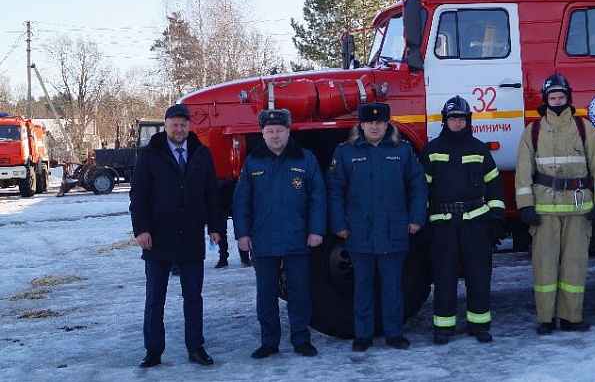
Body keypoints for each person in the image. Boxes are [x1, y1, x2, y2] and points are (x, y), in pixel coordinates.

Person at [514, 74, 595, 335]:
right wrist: (525, 206)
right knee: (544, 265)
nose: (557, 101)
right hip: (544, 209)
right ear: (546, 100)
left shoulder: (583, 128)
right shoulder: (533, 131)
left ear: (568, 98)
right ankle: (546, 319)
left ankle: (571, 317)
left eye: (561, 97)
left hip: (579, 208)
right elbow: (523, 171)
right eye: (552, 97)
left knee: (575, 264)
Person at [130, 103, 224, 368]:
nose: (179, 129)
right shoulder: (150, 155)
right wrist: (142, 229)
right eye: (174, 124)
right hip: (157, 238)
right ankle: (153, 350)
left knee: (193, 298)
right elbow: (138, 197)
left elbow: (211, 195)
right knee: (155, 300)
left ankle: (196, 347)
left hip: (191, 237)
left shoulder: (201, 154)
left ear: (189, 126)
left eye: (184, 124)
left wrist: (215, 227)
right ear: (166, 125)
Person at [328, 102, 428, 352]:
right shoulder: (345, 153)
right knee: (363, 285)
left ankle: (394, 333)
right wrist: (338, 224)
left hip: (394, 230)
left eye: (380, 122)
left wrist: (416, 218)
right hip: (359, 230)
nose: (375, 126)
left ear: (387, 124)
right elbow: (335, 191)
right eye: (370, 123)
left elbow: (418, 186)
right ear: (361, 125)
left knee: (393, 285)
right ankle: (363, 334)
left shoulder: (402, 151)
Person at [232, 109, 326, 359]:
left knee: (299, 292)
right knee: (266, 294)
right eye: (270, 131)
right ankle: (269, 341)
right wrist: (242, 234)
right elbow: (242, 201)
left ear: (288, 131)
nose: (275, 135)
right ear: (262, 133)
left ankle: (301, 339)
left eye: (280, 130)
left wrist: (316, 230)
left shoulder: (305, 159)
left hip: (297, 238)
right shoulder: (253, 162)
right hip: (263, 239)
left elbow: (318, 197)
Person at [420, 96, 505, 345]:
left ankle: (479, 325)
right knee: (444, 276)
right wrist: (422, 222)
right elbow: (420, 191)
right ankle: (443, 327)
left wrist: (497, 218)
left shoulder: (480, 150)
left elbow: (494, 187)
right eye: (453, 118)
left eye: (462, 118)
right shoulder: (431, 151)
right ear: (445, 121)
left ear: (469, 121)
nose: (458, 122)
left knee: (479, 275)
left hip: (475, 223)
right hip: (443, 224)